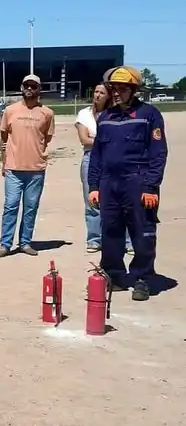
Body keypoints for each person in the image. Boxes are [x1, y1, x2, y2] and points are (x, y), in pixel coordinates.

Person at [87, 66, 167, 301]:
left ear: (134, 90)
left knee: (142, 231)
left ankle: (142, 278)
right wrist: (94, 186)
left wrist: (151, 186)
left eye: (122, 88)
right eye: (114, 88)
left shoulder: (149, 115)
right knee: (110, 230)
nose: (117, 92)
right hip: (109, 183)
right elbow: (97, 155)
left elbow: (158, 153)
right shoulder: (106, 117)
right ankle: (114, 275)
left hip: (138, 182)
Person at [0, 74, 55, 258]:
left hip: (36, 169)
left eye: (33, 86)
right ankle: (5, 244)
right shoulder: (10, 111)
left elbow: (47, 138)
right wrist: (5, 162)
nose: (29, 88)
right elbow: (4, 137)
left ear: (39, 89)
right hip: (13, 168)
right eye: (26, 85)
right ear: (21, 87)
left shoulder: (47, 113)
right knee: (10, 206)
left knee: (31, 207)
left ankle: (25, 243)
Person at [75, 83, 132, 254]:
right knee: (92, 200)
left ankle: (127, 241)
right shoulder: (84, 114)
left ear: (108, 96)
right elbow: (84, 139)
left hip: (114, 159)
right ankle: (94, 239)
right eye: (96, 91)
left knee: (121, 199)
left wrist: (101, 140)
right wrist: (107, 141)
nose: (98, 95)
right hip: (91, 158)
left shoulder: (116, 114)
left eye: (102, 92)